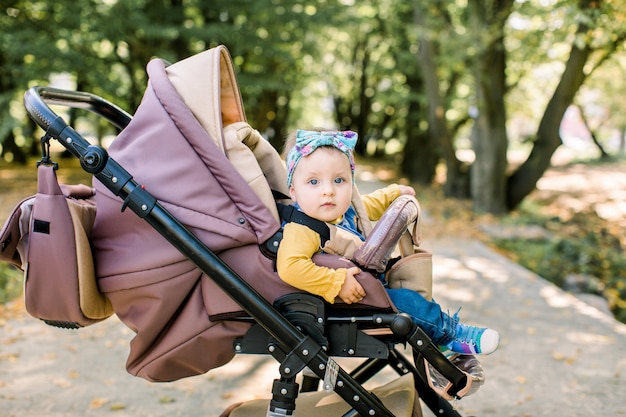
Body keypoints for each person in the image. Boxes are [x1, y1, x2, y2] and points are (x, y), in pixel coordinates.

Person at [276, 129, 500, 355]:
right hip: (344, 300)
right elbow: (289, 267)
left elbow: (368, 205)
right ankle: (451, 335)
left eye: (339, 180)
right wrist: (335, 283)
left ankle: (438, 335)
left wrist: (394, 193)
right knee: (408, 302)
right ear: (293, 192)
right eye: (314, 181)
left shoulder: (343, 211)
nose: (328, 191)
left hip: (369, 284)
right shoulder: (302, 228)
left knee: (412, 286)